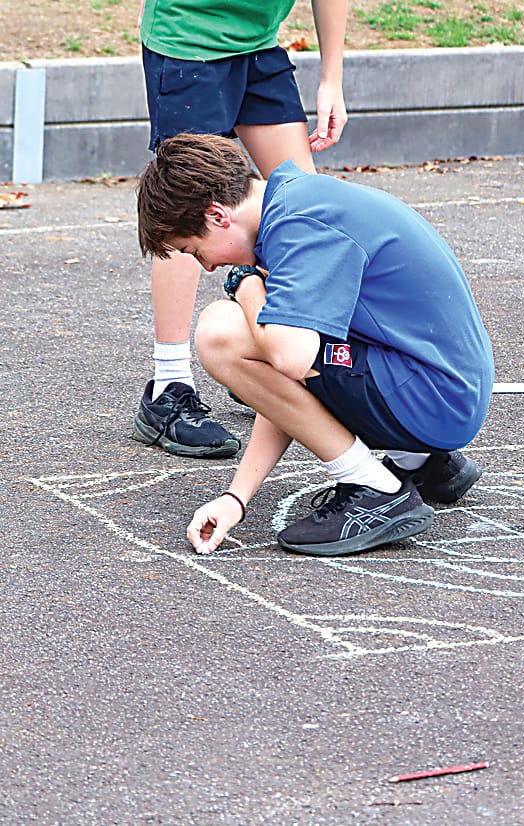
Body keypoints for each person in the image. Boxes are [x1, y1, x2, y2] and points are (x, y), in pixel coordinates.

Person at [136, 133, 494, 557]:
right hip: (439, 389)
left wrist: (247, 282)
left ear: (217, 216)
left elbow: (289, 359)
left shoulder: (299, 225)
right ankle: (419, 460)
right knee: (271, 334)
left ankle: (376, 489)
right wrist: (237, 498)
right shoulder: (293, 199)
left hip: (434, 399)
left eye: (193, 251)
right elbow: (285, 386)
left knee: (221, 331)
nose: (208, 265)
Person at [133, 0, 348, 458]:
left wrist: (332, 78)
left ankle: (264, 362)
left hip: (258, 43)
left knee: (304, 208)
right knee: (186, 211)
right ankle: (168, 387)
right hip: (188, 41)